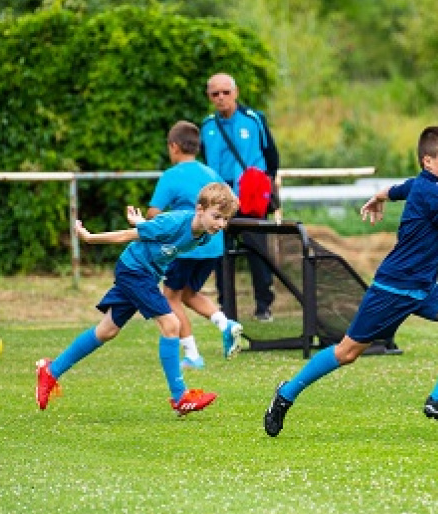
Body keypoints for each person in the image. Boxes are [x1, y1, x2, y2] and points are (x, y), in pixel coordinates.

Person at [264, 126, 438, 437]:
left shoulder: (421, 185)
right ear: (429, 161)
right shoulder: (435, 195)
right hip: (393, 289)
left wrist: (378, 196)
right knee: (347, 353)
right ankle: (286, 394)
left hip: (423, 288)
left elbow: (399, 189)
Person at [35, 182, 240, 417]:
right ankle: (180, 397)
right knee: (171, 324)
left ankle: (51, 370)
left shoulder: (204, 235)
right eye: (217, 217)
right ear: (199, 209)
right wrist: (90, 238)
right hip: (134, 271)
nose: (220, 224)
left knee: (107, 330)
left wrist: (143, 224)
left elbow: (157, 235)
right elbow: (127, 235)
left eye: (225, 220)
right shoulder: (175, 222)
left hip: (146, 274)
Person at [147, 121, 243, 370]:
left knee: (170, 297)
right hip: (213, 246)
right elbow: (233, 201)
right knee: (189, 294)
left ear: (174, 147)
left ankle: (192, 354)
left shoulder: (172, 176)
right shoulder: (211, 173)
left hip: (186, 245)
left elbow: (153, 214)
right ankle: (226, 325)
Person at [200, 72, 278, 322]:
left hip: (250, 197)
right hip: (219, 200)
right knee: (220, 252)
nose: (221, 98)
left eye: (226, 92)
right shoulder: (207, 127)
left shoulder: (254, 120)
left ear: (235, 92)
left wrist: (263, 189)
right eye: (215, 94)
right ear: (209, 97)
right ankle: (226, 305)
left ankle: (264, 304)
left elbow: (272, 157)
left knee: (258, 249)